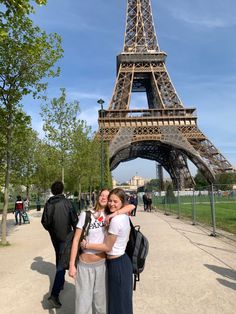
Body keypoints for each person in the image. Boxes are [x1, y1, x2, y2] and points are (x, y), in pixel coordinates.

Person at [69, 188, 134, 314]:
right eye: (102, 195)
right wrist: (72, 265)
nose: (104, 198)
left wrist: (114, 213)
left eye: (107, 196)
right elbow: (76, 240)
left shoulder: (113, 216)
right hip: (85, 264)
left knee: (102, 306)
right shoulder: (86, 215)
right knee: (83, 304)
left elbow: (131, 205)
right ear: (98, 197)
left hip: (103, 265)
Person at [41, 181, 78, 309]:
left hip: (55, 237)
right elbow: (75, 220)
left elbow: (44, 222)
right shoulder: (67, 203)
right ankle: (54, 295)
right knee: (61, 264)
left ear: (52, 190)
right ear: (62, 190)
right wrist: (75, 235)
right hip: (66, 237)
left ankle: (60, 282)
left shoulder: (48, 203)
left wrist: (52, 230)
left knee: (59, 259)